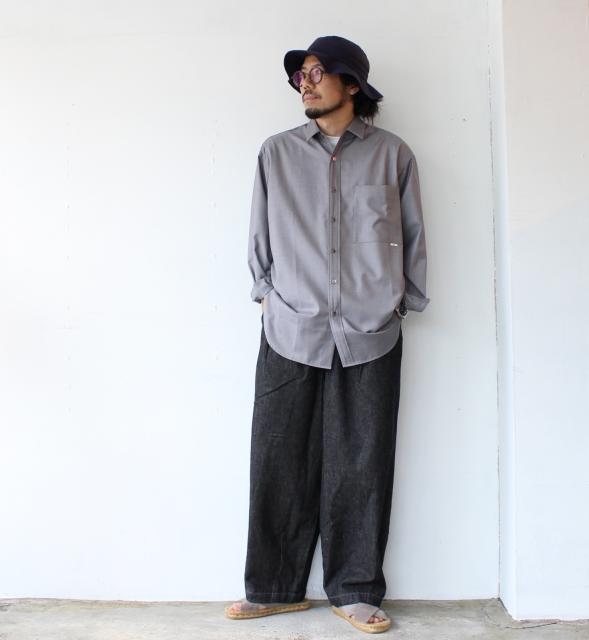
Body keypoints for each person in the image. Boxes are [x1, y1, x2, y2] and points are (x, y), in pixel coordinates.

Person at [225, 36, 429, 634]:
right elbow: (259, 232)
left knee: (363, 461)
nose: (305, 84)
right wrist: (267, 293)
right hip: (291, 324)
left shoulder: (393, 155)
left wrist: (403, 303)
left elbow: (413, 233)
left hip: (371, 329)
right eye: (301, 76)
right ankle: (273, 588)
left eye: (317, 73)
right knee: (277, 457)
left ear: (352, 83)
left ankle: (356, 589)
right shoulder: (277, 153)